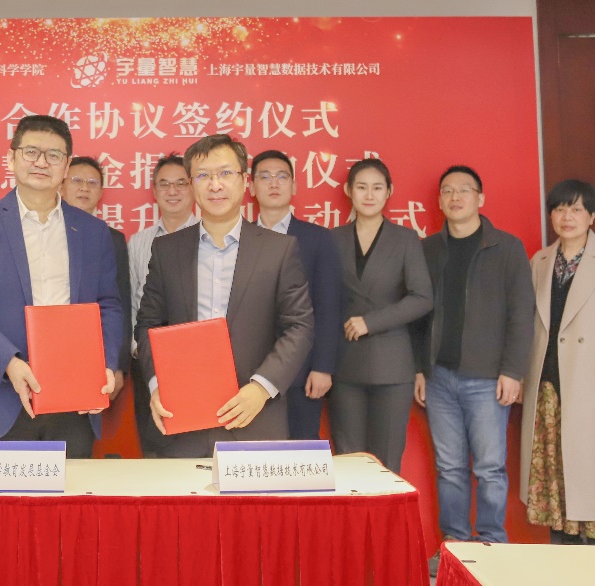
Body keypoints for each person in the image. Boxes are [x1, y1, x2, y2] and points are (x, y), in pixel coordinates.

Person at [0, 115, 122, 458]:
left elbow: (108, 305)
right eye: (31, 152)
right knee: (5, 495)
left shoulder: (92, 232)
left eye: (54, 155)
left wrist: (108, 365)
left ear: (66, 165)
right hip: (2, 396)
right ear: (11, 158)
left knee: (72, 493)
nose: (42, 162)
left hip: (75, 401)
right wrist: (8, 362)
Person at [135, 134, 314, 458]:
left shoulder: (279, 249)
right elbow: (148, 323)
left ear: (244, 181)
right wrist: (157, 384)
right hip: (181, 420)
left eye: (225, 173)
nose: (215, 185)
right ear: (192, 185)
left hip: (255, 417)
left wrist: (261, 388)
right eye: (203, 175)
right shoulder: (167, 250)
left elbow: (299, 327)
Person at [413, 165, 534, 572]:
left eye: (464, 190)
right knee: (449, 468)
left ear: (480, 198)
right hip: (439, 377)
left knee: (489, 468)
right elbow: (419, 315)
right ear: (440, 200)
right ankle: (455, 547)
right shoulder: (429, 249)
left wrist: (513, 371)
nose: (455, 197)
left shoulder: (507, 248)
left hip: (487, 378)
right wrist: (420, 369)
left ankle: (492, 547)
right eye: (448, 190)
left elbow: (522, 314)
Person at [519, 179, 595, 545]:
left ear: (592, 216)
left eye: (576, 209)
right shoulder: (540, 261)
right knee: (555, 468)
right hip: (548, 382)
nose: (567, 217)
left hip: (593, 382)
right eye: (559, 209)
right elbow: (528, 324)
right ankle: (565, 544)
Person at [329, 159, 432, 473]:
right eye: (361, 187)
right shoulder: (332, 239)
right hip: (344, 366)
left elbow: (422, 298)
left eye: (377, 188)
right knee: (347, 462)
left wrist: (370, 322)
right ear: (348, 191)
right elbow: (323, 300)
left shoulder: (405, 239)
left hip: (392, 367)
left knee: (386, 464)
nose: (369, 195)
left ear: (389, 192)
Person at [248, 149, 343, 441]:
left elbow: (329, 308)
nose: (274, 183)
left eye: (282, 176)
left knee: (300, 450)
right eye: (265, 177)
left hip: (303, 372)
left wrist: (323, 367)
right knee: (252, 454)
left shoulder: (318, 239)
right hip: (250, 372)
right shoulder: (239, 238)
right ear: (251, 187)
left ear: (294, 186)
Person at [127, 153, 197, 456]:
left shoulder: (210, 237)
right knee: (154, 445)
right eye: (164, 184)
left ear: (193, 187)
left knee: (197, 445)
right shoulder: (138, 242)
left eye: (181, 183)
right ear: (154, 191)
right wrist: (137, 348)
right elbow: (131, 299)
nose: (173, 191)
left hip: (197, 359)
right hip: (149, 359)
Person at [61, 155, 130, 400]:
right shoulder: (43, 233)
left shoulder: (113, 239)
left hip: (95, 355)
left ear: (101, 192)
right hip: (47, 348)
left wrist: (118, 364)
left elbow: (120, 302)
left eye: (92, 183)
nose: (84, 188)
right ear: (61, 186)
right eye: (76, 180)